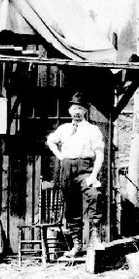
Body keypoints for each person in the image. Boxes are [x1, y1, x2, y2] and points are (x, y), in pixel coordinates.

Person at [46, 93, 104, 257]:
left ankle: (94, 235)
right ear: (69, 110)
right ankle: (77, 245)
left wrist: (93, 175)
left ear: (85, 111)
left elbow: (99, 155)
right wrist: (59, 155)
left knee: (94, 195)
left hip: (84, 168)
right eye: (74, 108)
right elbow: (51, 140)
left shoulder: (92, 129)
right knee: (71, 207)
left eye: (80, 108)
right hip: (66, 169)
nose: (77, 111)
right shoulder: (63, 129)